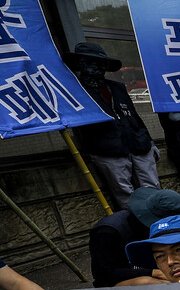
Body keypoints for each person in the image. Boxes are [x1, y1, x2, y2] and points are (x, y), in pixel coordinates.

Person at [67, 41, 160, 210]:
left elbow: (134, 116)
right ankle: (137, 225)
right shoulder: (76, 91)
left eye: (100, 63)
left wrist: (150, 141)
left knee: (152, 187)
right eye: (89, 62)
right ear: (80, 64)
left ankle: (162, 223)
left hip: (138, 143)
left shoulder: (117, 88)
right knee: (124, 192)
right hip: (107, 149)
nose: (96, 67)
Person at [89, 187, 180, 288]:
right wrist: (153, 273)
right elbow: (103, 273)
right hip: (116, 281)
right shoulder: (107, 232)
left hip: (152, 268)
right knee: (157, 284)